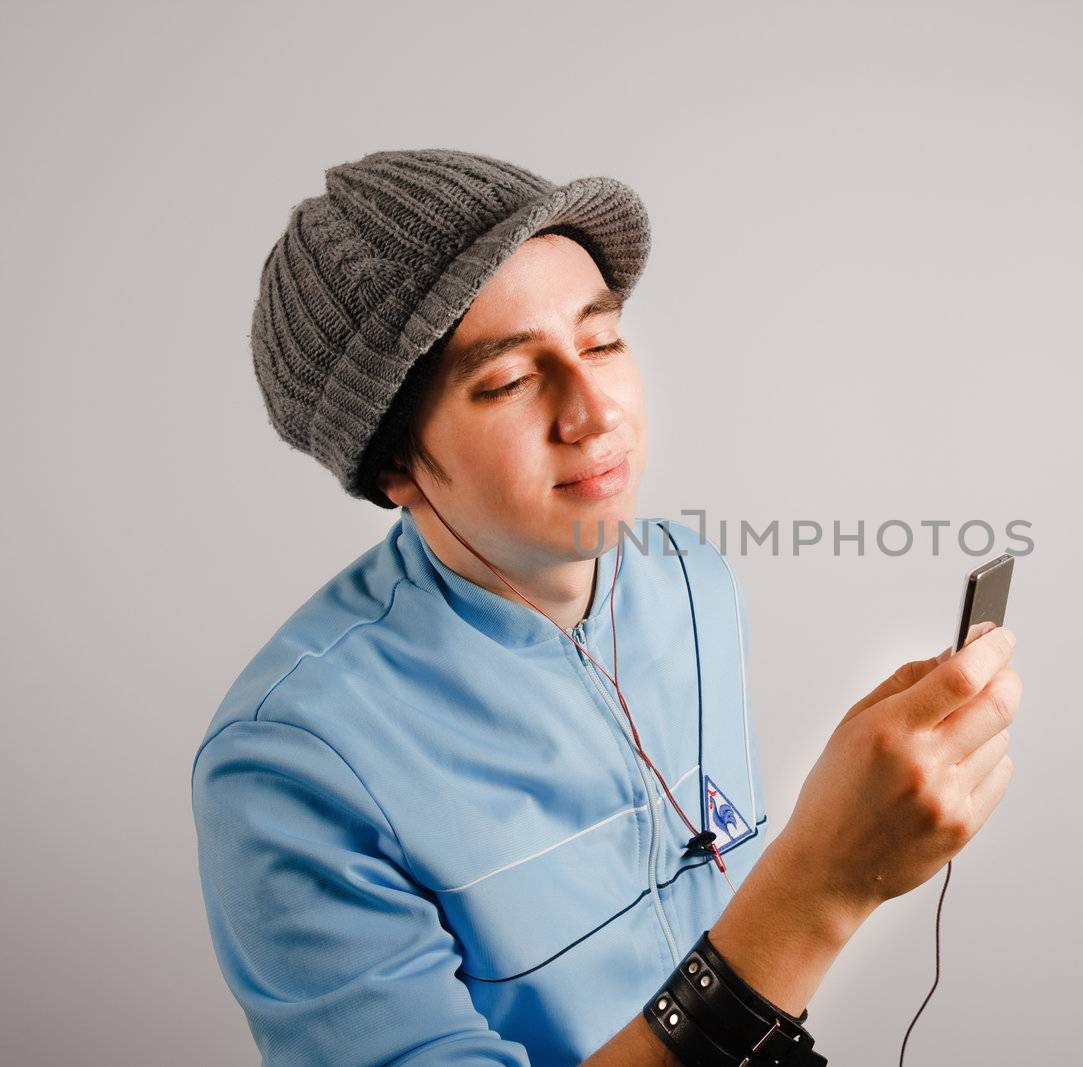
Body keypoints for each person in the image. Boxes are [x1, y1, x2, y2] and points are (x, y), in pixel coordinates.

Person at [192, 148, 1021, 1066]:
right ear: (394, 466)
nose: (594, 410)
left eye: (602, 340)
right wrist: (823, 880)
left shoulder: (691, 581)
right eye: (508, 381)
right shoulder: (289, 768)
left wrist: (863, 805)